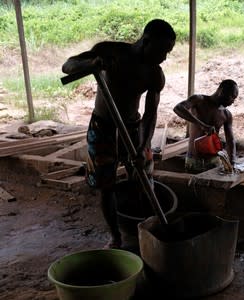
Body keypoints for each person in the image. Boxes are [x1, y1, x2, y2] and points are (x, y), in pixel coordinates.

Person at [61, 19, 176, 249]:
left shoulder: (154, 74)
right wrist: (93, 63)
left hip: (133, 128)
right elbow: (68, 65)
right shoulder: (110, 52)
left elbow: (150, 114)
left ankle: (149, 229)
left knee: (144, 178)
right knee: (107, 185)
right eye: (162, 50)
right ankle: (116, 237)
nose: (164, 57)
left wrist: (143, 147)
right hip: (102, 127)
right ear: (146, 41)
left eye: (168, 52)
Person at [173, 79, 239, 173]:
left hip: (215, 162)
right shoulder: (199, 100)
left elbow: (230, 140)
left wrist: (232, 162)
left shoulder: (226, 114)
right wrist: (202, 125)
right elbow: (178, 108)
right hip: (194, 161)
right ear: (221, 90)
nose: (233, 101)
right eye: (232, 96)